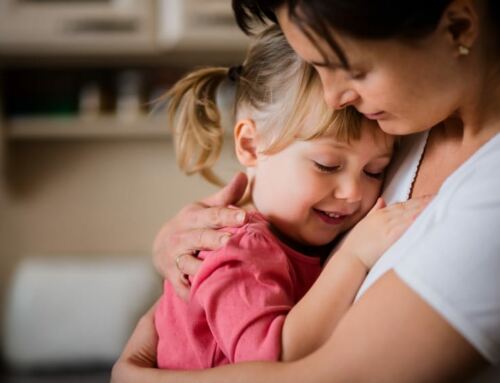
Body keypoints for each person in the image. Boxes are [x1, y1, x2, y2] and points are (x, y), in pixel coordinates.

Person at [112, 0, 500, 381]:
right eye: (318, 68)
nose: (334, 98)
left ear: (458, 28)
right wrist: (172, 244)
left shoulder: (471, 175)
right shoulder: (404, 117)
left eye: (355, 70)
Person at [154, 25, 425, 369]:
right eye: (327, 165)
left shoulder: (300, 239)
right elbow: (274, 362)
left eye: (374, 171)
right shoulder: (237, 250)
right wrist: (354, 257)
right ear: (250, 145)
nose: (353, 192)